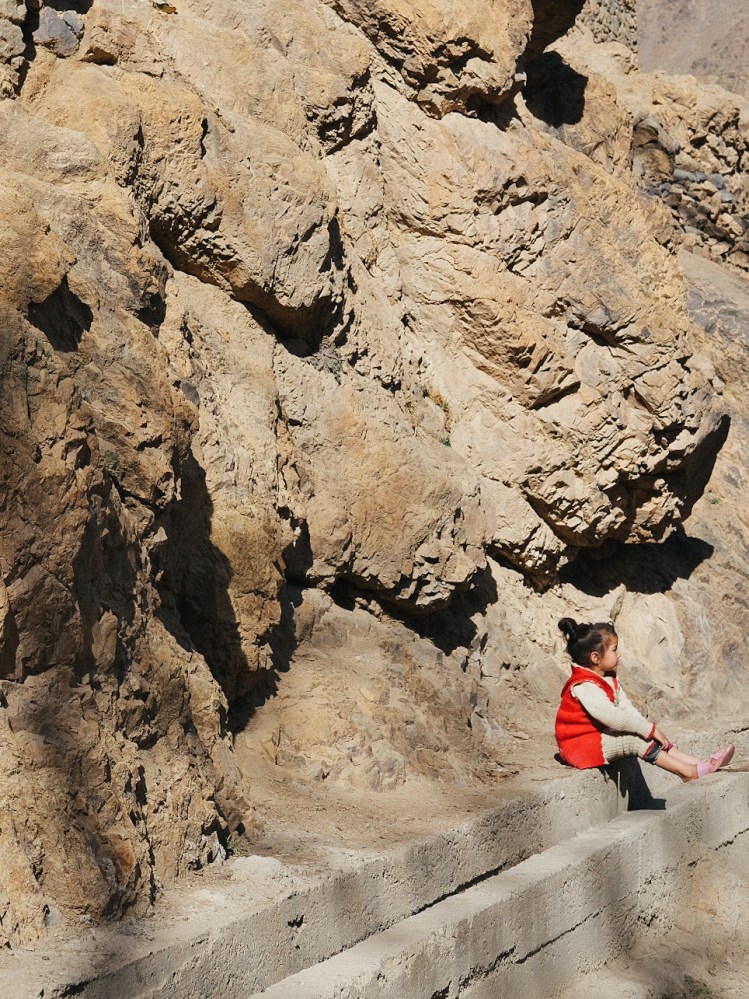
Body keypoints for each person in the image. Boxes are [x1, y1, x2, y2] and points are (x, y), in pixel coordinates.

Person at [555, 617, 734, 781]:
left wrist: (648, 730)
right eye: (614, 650)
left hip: (595, 738)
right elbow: (612, 716)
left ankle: (699, 763)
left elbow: (626, 708)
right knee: (635, 740)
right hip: (580, 747)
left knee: (647, 735)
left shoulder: (608, 678)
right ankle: (687, 772)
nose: (619, 655)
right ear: (595, 657)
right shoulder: (583, 685)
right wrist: (648, 730)